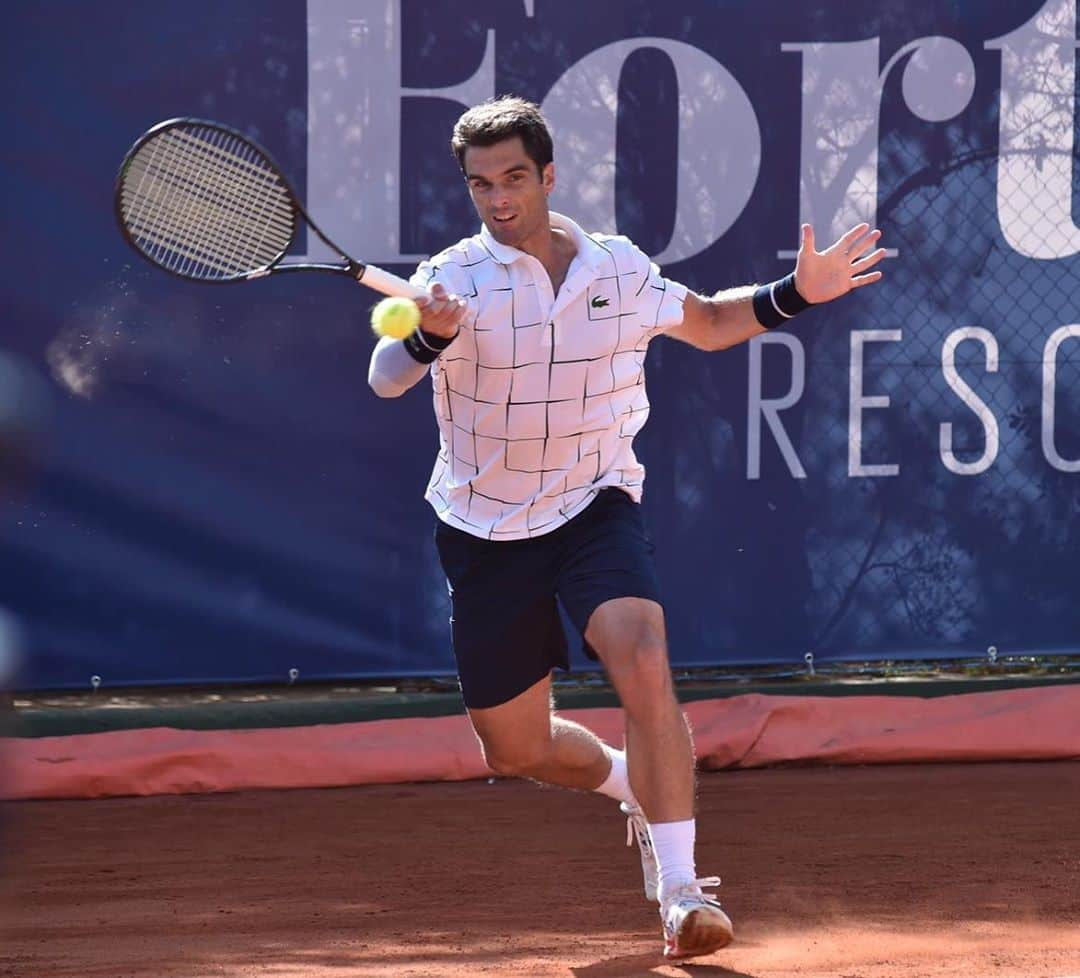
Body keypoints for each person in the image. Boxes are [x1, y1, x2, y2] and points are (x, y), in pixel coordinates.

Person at [368, 96, 885, 959]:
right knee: (516, 746)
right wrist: (427, 338)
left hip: (593, 502)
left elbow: (714, 323)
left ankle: (683, 892)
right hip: (485, 529)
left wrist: (800, 291)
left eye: (514, 179)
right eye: (480, 184)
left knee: (642, 652)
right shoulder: (452, 278)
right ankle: (628, 785)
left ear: (549, 176)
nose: (498, 199)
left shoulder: (617, 269)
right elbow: (386, 379)